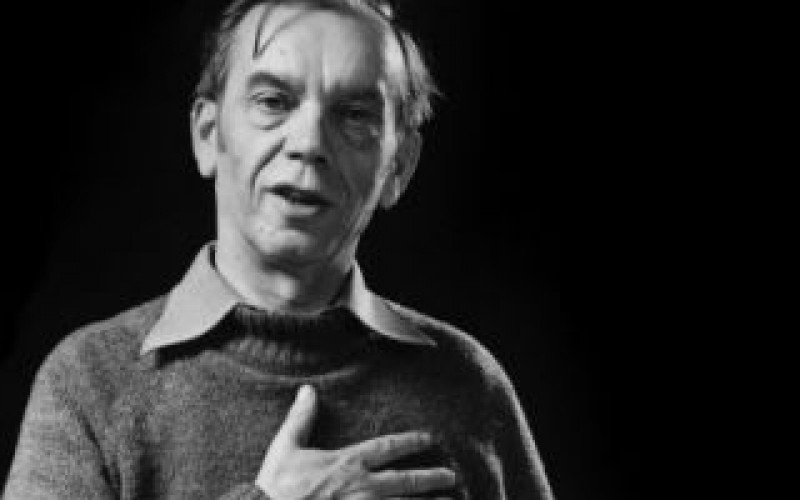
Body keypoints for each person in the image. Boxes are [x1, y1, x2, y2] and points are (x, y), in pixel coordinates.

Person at [4, 0, 554, 498]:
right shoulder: (88, 382)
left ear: (399, 167)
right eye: (272, 101)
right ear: (208, 135)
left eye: (355, 115)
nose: (309, 144)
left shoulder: (468, 385)